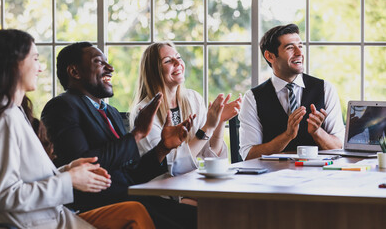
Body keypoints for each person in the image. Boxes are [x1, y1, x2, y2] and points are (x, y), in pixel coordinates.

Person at [0, 29, 155, 228]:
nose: (40, 68)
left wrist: (68, 171)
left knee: (135, 212)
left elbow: (29, 181)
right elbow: (7, 196)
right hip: (39, 224)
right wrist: (69, 179)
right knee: (137, 213)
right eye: (35, 59)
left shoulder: (14, 114)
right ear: (13, 65)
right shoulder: (4, 118)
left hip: (53, 217)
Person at [41, 42, 196, 228]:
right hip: (101, 208)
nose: (110, 68)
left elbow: (130, 176)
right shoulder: (62, 106)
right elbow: (83, 165)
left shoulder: (112, 112)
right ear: (75, 72)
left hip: (132, 199)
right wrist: (137, 134)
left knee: (203, 216)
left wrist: (163, 147)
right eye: (99, 62)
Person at [130, 42, 242, 176]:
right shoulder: (144, 112)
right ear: (154, 71)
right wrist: (207, 128)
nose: (177, 63)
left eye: (178, 57)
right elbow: (171, 167)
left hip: (194, 184)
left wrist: (220, 122)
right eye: (168, 61)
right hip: (163, 190)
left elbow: (211, 157)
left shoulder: (193, 98)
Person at [238, 24, 345, 160]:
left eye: (300, 46)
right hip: (272, 177)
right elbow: (249, 155)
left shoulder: (325, 89)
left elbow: (339, 147)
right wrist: (287, 136)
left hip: (318, 177)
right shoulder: (252, 98)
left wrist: (317, 132)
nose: (299, 53)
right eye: (290, 48)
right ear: (270, 56)